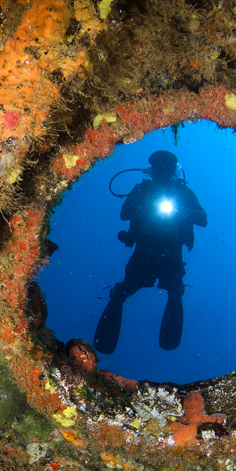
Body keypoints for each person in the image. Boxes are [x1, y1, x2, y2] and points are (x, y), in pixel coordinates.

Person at [93, 150, 207, 354]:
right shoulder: (142, 190)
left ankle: (168, 296)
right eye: (159, 168)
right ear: (152, 170)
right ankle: (119, 301)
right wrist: (146, 207)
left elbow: (203, 218)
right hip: (145, 253)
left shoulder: (183, 193)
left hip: (170, 254)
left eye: (166, 168)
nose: (163, 172)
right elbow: (124, 213)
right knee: (126, 290)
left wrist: (182, 211)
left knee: (173, 290)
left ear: (173, 170)